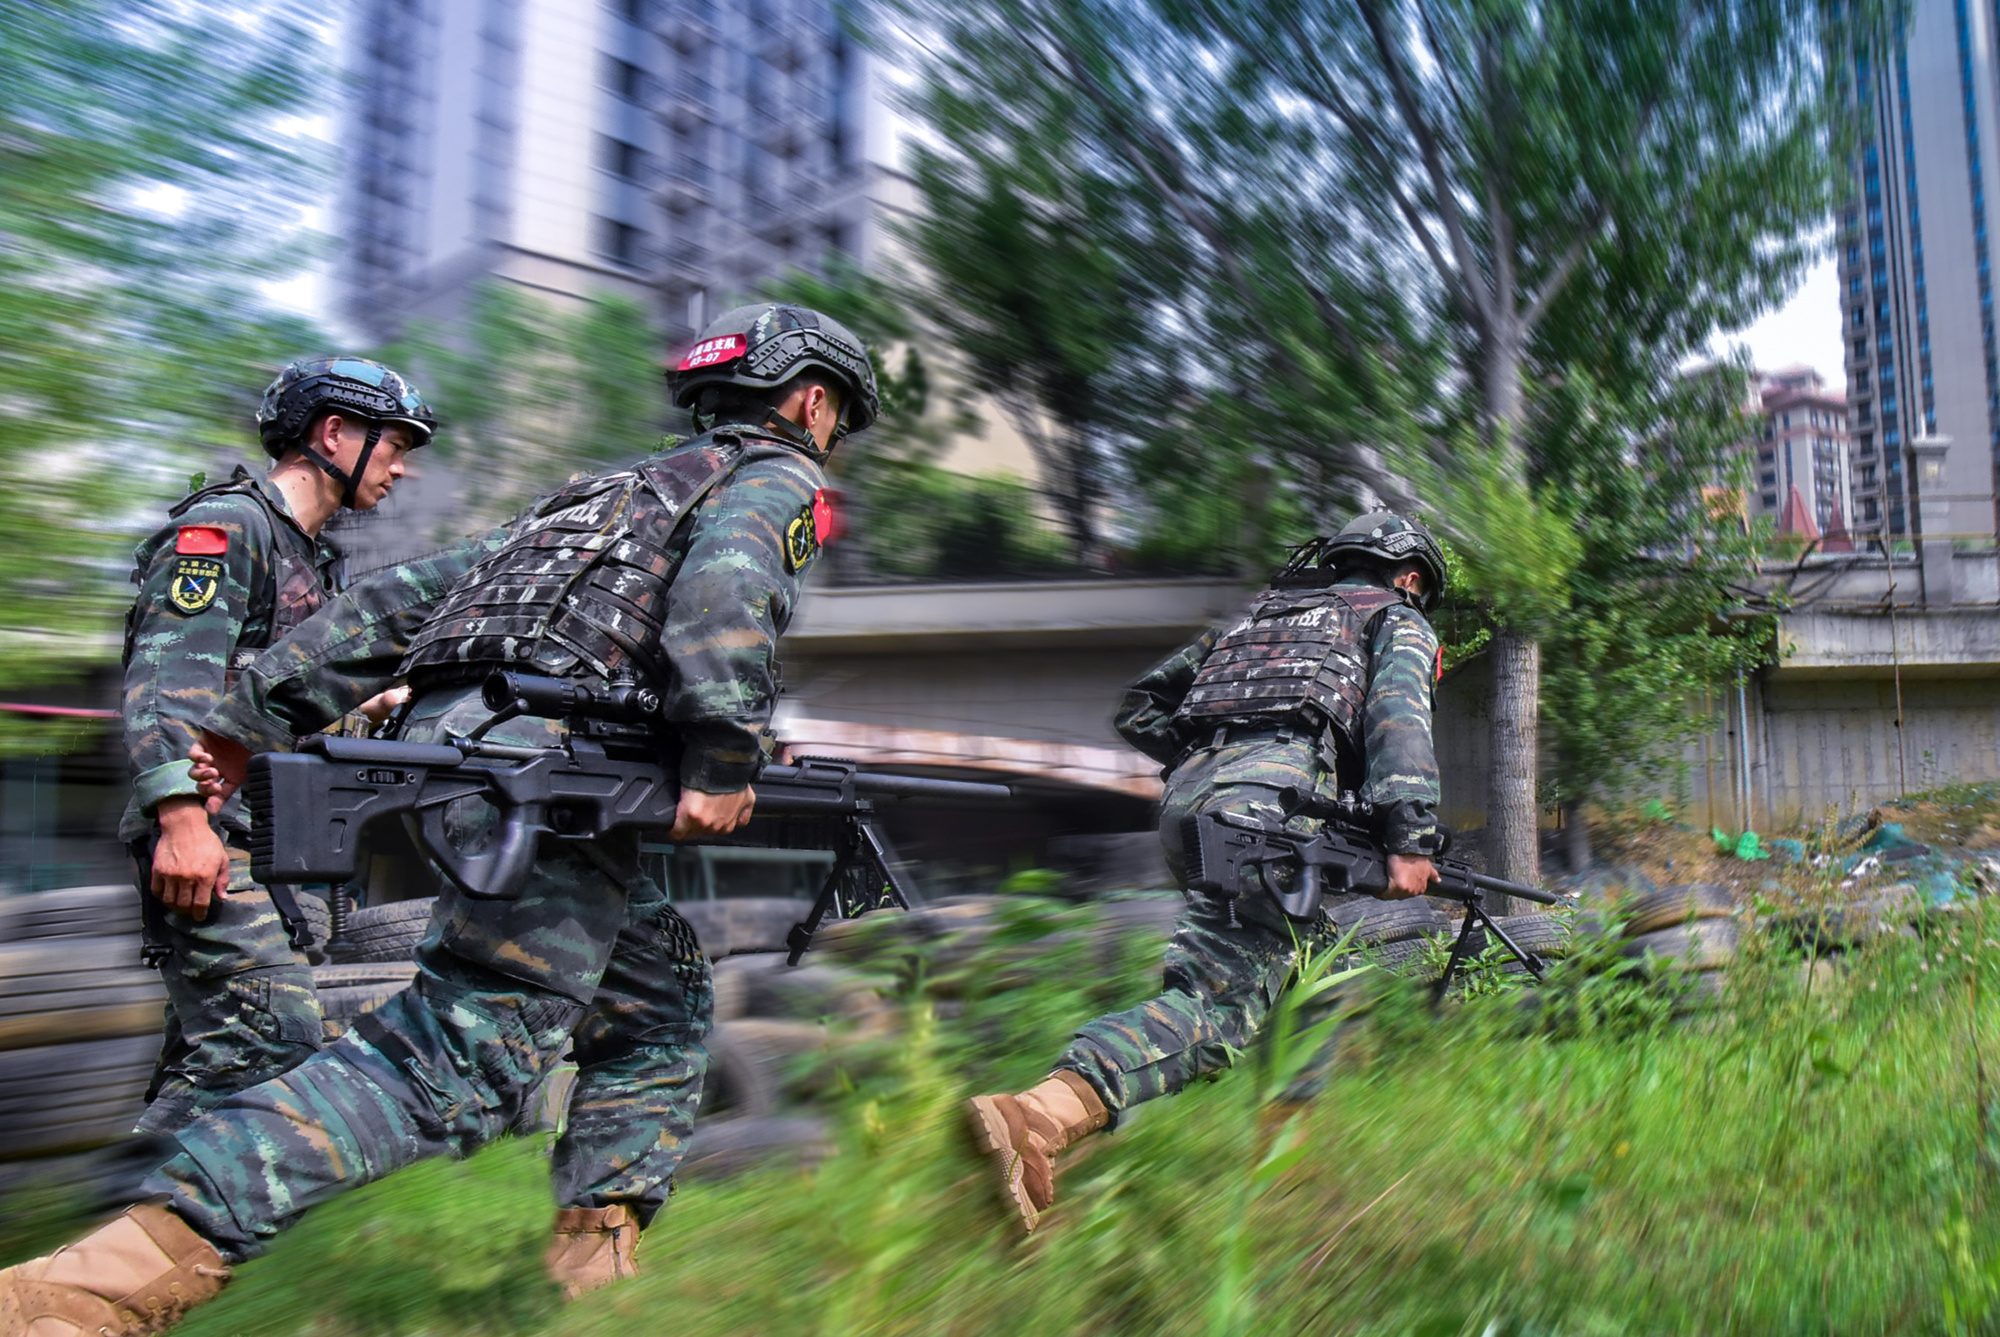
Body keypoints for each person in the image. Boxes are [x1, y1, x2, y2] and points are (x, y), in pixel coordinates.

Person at [0, 304, 879, 1337]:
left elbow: (404, 599)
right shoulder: (775, 481)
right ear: (811, 399)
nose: (829, 438)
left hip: (480, 762)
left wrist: (249, 720)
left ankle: (593, 1271)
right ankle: (96, 1282)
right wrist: (725, 755)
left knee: (662, 994)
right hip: (547, 774)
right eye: (836, 419)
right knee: (465, 1048)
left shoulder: (608, 491)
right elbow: (721, 608)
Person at [965, 510, 1451, 1234]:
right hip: (1267, 810)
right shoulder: (1398, 619)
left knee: (1310, 968)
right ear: (1409, 577)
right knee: (1220, 1003)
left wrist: (1224, 766)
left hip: (1190, 805)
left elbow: (1142, 706)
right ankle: (1038, 1115)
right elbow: (1398, 723)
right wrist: (1410, 840)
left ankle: (1281, 1173)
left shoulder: (1257, 618)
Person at [121, 357, 434, 1137]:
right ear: (334, 434)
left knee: (220, 1048)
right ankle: (133, 1224)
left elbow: (272, 699)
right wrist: (182, 821)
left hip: (276, 833)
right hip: (212, 828)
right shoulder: (230, 529)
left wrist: (371, 699)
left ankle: (146, 1220)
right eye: (395, 443)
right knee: (273, 1033)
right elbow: (169, 683)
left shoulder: (310, 559)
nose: (403, 466)